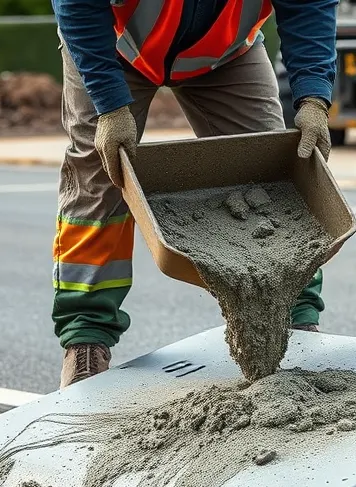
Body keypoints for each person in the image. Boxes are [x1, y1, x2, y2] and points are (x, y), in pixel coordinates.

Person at [50, 0, 338, 388]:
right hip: (114, 48)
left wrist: (314, 97)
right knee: (100, 175)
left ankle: (293, 323)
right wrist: (109, 104)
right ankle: (86, 339)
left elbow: (310, 4)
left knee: (271, 171)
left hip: (225, 54)